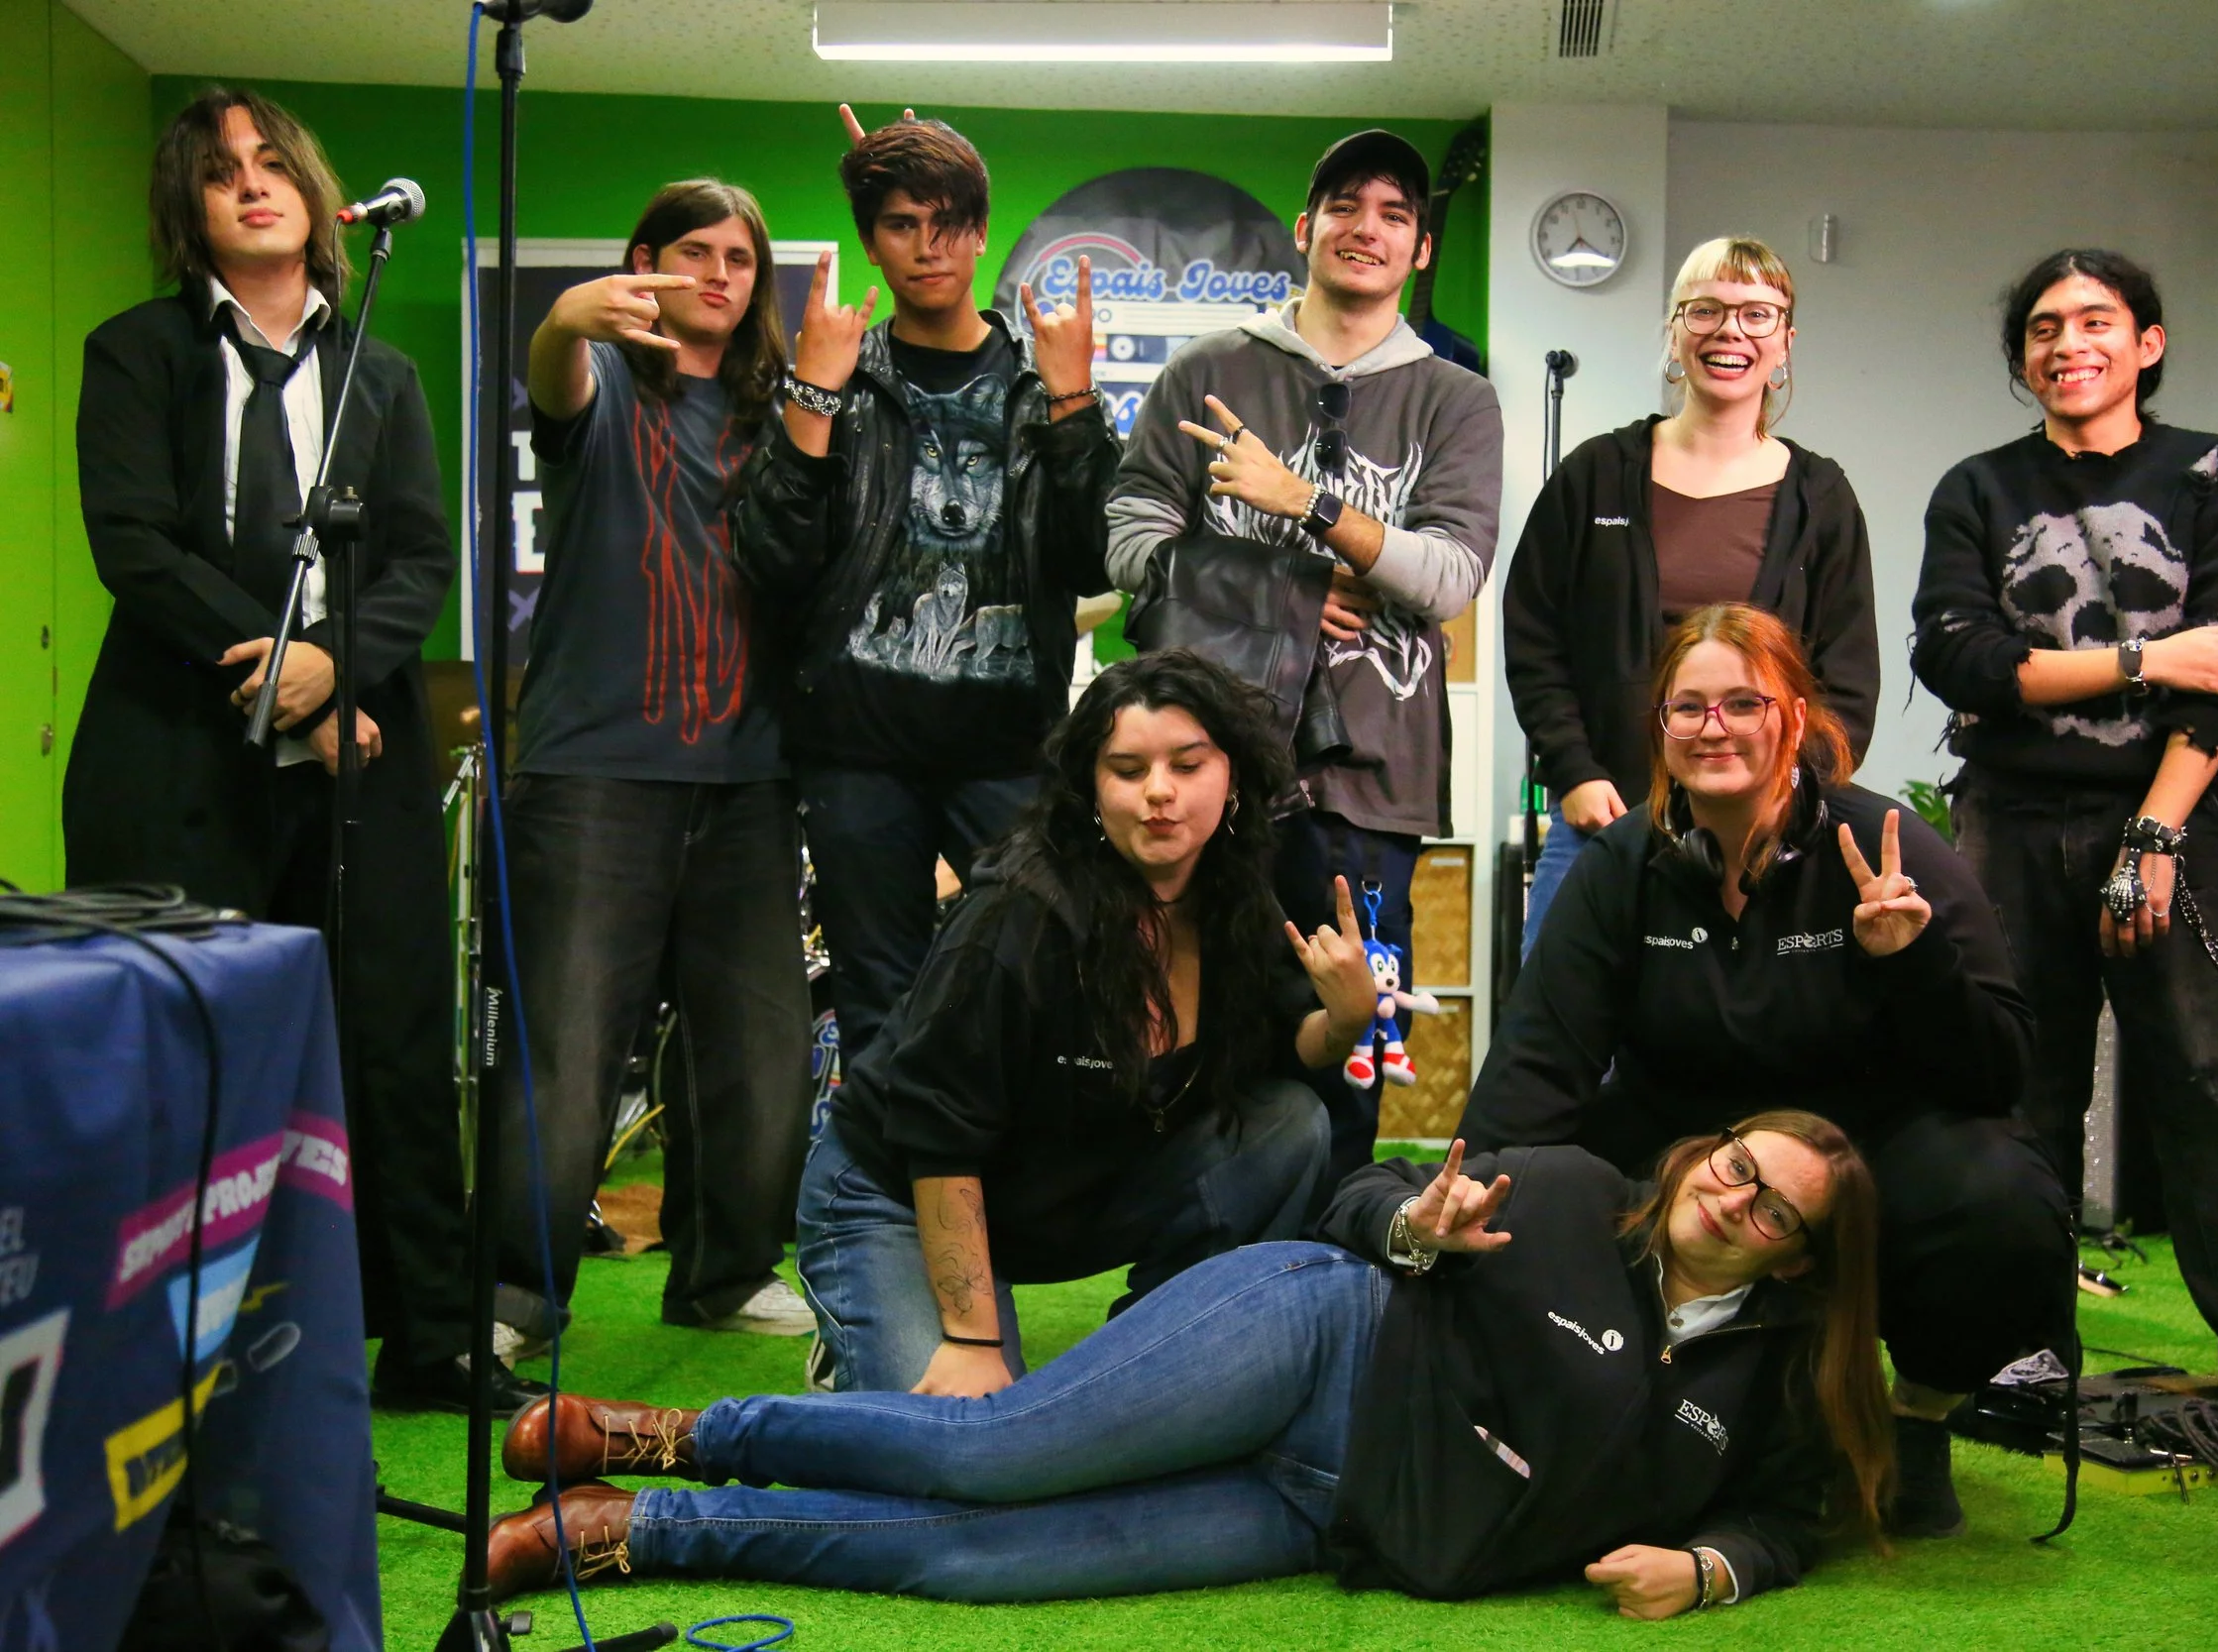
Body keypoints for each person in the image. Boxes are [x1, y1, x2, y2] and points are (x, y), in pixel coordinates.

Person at [483, 1111, 1892, 1616]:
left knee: (970, 1562)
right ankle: (677, 1434)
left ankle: (645, 1527)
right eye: (1736, 1162)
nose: (1735, 1198)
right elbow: (1356, 1198)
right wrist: (1413, 1226)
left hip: (1331, 1514)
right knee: (992, 1451)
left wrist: (1710, 1567)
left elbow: (1790, 1515)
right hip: (1315, 1339)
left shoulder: (1771, 1380)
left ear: (1799, 1262)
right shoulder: (1578, 1188)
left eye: (1776, 1208)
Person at [63, 88, 513, 1411]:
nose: (252, 184)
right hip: (176, 748)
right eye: (220, 171)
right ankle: (169, 1350)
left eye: (272, 163)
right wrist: (291, 680)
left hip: (360, 756)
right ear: (187, 207)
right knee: (179, 1044)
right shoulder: (133, 350)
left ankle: (429, 1336)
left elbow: (420, 555)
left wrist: (337, 666)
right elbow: (135, 543)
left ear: (320, 198)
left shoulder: (385, 372)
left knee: (393, 1042)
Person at [1458, 603, 2075, 1538]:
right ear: (1661, 727)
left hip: (1866, 1147)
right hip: (1694, 1145)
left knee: (2001, 1204)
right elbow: (1537, 1065)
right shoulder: (1623, 865)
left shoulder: (1886, 847)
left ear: (1794, 718)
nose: (1715, 728)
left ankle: (1915, 1415)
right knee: (1550, 1177)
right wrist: (1465, 1203)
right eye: (1689, 706)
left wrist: (1913, 962)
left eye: (1743, 703)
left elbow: (1997, 1074)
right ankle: (1662, 1393)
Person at [1910, 248, 2218, 1443]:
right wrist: (2150, 656)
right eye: (2044, 328)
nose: (2069, 344)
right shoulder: (1977, 488)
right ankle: (2019, 1351)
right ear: (2023, 359)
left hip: (2178, 817)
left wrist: (2152, 830)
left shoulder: (2212, 473)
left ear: (2146, 343)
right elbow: (1959, 658)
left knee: (2212, 1085)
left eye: (2095, 321)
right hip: (2009, 826)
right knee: (2018, 1092)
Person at [789, 651, 1367, 1397]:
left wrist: (1346, 1018)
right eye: (1127, 769)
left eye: (1187, 764)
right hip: (900, 1191)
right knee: (969, 1444)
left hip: (1055, 1191)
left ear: (1232, 776)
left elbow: (1278, 1046)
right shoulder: (1020, 914)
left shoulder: (1232, 890)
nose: (1159, 791)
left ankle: (1154, 1363)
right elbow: (937, 1131)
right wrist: (970, 1339)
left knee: (1288, 1124)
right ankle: (859, 1329)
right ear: (1091, 787)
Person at [1107, 129, 1503, 1176]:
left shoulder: (1458, 400)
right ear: (1305, 227)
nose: (1367, 229)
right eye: (1345, 206)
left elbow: (1451, 577)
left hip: (1367, 787)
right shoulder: (1208, 371)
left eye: (1394, 215)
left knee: (1350, 1049)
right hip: (1207, 770)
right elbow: (1131, 542)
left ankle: (1330, 1262)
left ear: (1420, 249)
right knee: (1193, 1034)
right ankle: (1189, 1256)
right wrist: (1281, 589)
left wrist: (1309, 505)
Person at [729, 109, 1120, 1066]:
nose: (927, 246)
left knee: (1032, 994)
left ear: (982, 233)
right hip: (857, 752)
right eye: (902, 224)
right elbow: (773, 561)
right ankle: (883, 1172)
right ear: (871, 242)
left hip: (1009, 748)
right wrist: (813, 396)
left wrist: (1074, 405)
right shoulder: (838, 378)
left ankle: (999, 1174)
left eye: (948, 222)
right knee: (878, 1013)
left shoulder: (1039, 381)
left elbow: (1094, 561)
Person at [498, 179, 812, 1356]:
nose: (721, 273)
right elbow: (554, 372)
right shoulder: (600, 381)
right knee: (567, 1050)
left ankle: (726, 1274)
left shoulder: (782, 414)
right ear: (644, 263)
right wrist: (561, 319)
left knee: (761, 1057)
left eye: (742, 257)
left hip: (751, 778)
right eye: (696, 250)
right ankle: (517, 1294)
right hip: (595, 771)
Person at [1503, 235, 1878, 957]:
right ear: (1675, 334)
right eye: (1705, 310)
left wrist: (1791, 796)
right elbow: (1534, 638)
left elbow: (1848, 678)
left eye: (1756, 314)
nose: (1730, 331)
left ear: (1786, 342)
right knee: (1556, 1017)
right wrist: (1574, 771)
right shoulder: (1595, 475)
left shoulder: (1821, 497)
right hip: (1602, 820)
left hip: (1764, 835)